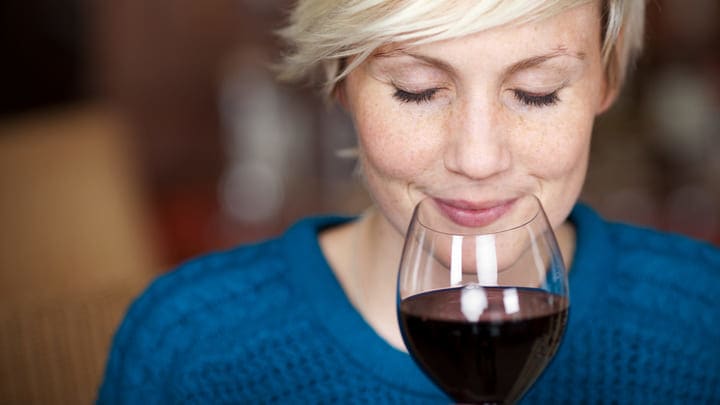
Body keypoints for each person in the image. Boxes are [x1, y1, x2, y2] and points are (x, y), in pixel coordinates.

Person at [98, 0, 720, 403]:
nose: (477, 159)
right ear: (342, 80)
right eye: (417, 90)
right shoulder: (190, 348)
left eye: (536, 93)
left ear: (604, 80)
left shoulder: (703, 322)